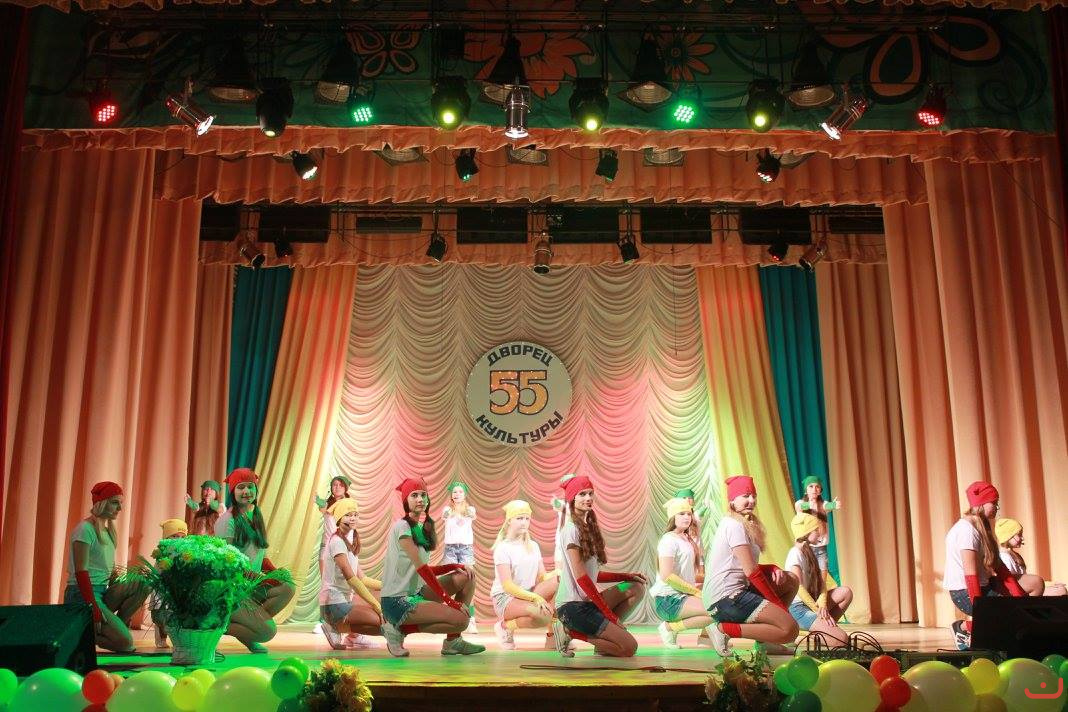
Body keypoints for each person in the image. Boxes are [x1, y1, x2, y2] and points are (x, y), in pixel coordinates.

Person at [378, 477, 485, 657]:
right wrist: (449, 600)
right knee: (461, 620)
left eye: (423, 495)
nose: (420, 499)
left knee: (467, 576)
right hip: (397, 601)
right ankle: (398, 630)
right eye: (414, 495)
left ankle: (452, 642)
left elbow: (421, 569)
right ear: (406, 501)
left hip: (416, 593)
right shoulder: (403, 527)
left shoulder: (420, 528)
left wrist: (454, 566)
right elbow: (422, 569)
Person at [551, 474, 647, 658]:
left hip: (586, 603)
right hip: (572, 608)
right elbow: (581, 577)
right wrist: (608, 614)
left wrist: (627, 576)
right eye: (582, 494)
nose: (588, 498)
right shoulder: (571, 530)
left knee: (635, 587)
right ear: (572, 499)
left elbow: (593, 575)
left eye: (590, 493)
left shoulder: (588, 528)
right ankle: (570, 632)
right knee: (629, 648)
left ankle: (604, 643)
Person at [702, 475, 800, 656]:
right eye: (745, 496)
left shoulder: (744, 523)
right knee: (790, 630)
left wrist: (773, 568)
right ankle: (722, 629)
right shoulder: (733, 525)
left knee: (791, 580)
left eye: (754, 496)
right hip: (725, 599)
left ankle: (765, 642)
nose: (751, 500)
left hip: (737, 591)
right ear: (732, 500)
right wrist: (778, 606)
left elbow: (743, 564)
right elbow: (751, 572)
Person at [215, 467, 296, 653]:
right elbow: (226, 563)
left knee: (287, 587)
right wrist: (257, 576)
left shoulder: (255, 516)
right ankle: (215, 625)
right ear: (233, 492)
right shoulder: (227, 521)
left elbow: (261, 556)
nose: (246, 491)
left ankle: (251, 628)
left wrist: (275, 573)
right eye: (240, 487)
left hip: (250, 586)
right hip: (232, 590)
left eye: (250, 487)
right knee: (268, 632)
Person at [64, 481, 149, 652]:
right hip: (82, 595)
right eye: (115, 502)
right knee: (126, 644)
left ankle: (115, 626)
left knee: (144, 583)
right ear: (101, 503)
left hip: (102, 592)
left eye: (121, 503)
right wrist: (93, 607)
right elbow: (81, 572)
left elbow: (107, 571)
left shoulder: (109, 532)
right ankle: (82, 634)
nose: (120, 508)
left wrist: (130, 582)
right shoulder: (84, 530)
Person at [944, 481, 1026, 650]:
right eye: (994, 503)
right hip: (964, 592)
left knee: (1031, 589)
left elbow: (999, 566)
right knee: (1009, 616)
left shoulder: (981, 527)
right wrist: (981, 609)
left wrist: (1020, 596)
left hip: (984, 585)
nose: (997, 507)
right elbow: (970, 574)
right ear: (981, 503)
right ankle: (963, 628)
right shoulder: (966, 530)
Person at [491, 499, 559, 650]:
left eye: (527, 518)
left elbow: (542, 577)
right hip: (506, 598)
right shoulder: (502, 548)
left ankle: (553, 636)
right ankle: (505, 626)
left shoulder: (533, 546)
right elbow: (508, 586)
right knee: (543, 615)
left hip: (528, 593)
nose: (524, 522)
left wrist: (557, 574)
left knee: (559, 581)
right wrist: (535, 598)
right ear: (509, 520)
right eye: (519, 518)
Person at [320, 498, 385, 649]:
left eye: (355, 515)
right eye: (348, 515)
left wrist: (389, 586)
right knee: (380, 624)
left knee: (383, 598)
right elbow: (352, 579)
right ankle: (335, 626)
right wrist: (376, 606)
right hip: (333, 604)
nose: (353, 518)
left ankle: (353, 636)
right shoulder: (337, 542)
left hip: (344, 600)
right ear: (339, 519)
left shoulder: (349, 542)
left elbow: (363, 579)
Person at [650, 497, 714, 649]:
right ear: (673, 517)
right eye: (681, 514)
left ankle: (705, 639)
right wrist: (696, 592)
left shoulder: (687, 539)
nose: (687, 517)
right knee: (714, 611)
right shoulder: (668, 540)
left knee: (719, 606)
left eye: (689, 514)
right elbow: (667, 576)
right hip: (668, 600)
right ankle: (669, 628)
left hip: (684, 595)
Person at [784, 513, 852, 632]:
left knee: (846, 592)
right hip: (799, 607)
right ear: (806, 533)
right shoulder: (794, 553)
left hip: (812, 601)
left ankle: (825, 628)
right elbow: (799, 588)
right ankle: (824, 626)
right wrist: (817, 610)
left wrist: (823, 605)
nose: (819, 533)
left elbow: (821, 583)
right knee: (841, 638)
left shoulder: (811, 552)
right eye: (816, 530)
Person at [442, 481, 478, 633]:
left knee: (469, 580)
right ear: (451, 495)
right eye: (455, 492)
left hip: (465, 548)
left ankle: (470, 620)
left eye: (460, 492)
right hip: (450, 548)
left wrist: (463, 512)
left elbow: (472, 515)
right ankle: (449, 618)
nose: (457, 494)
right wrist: (452, 512)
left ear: (465, 494)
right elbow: (445, 515)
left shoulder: (470, 509)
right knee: (451, 582)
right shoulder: (447, 510)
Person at [995, 518, 1064, 596]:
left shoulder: (1015, 555)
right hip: (1017, 592)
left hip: (1024, 589)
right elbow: (1010, 583)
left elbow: (1025, 580)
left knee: (1061, 590)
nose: (1022, 538)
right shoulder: (1004, 556)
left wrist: (1050, 584)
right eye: (1019, 535)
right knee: (1040, 584)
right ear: (1008, 537)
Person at [151, 518, 189, 648]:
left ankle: (177, 637)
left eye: (182, 537)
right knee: (161, 616)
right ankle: (161, 639)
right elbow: (157, 576)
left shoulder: (185, 553)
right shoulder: (163, 554)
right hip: (162, 591)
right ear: (166, 538)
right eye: (175, 536)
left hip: (177, 592)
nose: (179, 539)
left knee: (175, 615)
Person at [793, 476, 840, 577]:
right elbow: (800, 507)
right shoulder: (800, 503)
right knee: (809, 576)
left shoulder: (823, 505)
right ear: (806, 490)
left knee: (823, 575)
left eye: (817, 486)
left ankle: (822, 588)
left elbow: (827, 506)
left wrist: (834, 505)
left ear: (820, 490)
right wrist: (811, 504)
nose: (814, 489)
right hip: (806, 547)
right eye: (811, 486)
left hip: (821, 548)